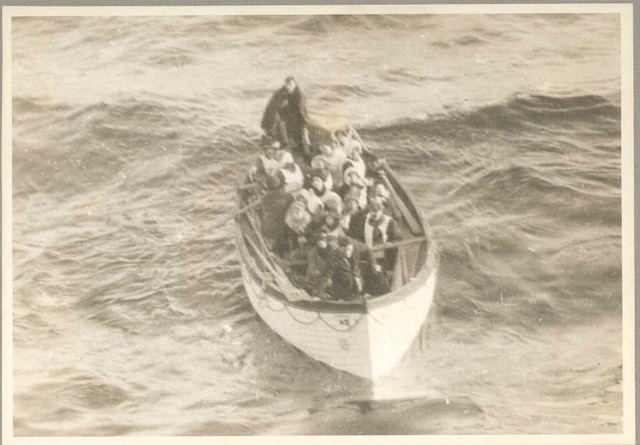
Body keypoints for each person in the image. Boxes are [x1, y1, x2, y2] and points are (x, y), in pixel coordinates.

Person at [261, 76, 311, 161]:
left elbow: (301, 113)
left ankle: (306, 157)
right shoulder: (280, 92)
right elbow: (270, 107)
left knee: (302, 140)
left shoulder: (300, 96)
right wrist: (266, 125)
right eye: (286, 85)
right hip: (284, 116)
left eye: (290, 85)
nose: (288, 87)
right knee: (280, 136)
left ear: (295, 85)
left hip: (297, 118)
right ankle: (281, 149)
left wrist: (303, 128)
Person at [351, 200, 401, 271]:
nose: (373, 214)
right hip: (367, 256)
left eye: (375, 212)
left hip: (384, 257)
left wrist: (389, 244)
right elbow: (357, 237)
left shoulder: (391, 222)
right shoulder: (363, 220)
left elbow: (398, 239)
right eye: (371, 212)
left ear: (381, 211)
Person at [260, 173, 294, 248]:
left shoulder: (264, 199)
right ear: (281, 187)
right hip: (280, 231)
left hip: (267, 229)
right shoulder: (289, 197)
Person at [304, 230, 334, 298]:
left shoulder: (333, 251)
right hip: (315, 279)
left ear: (327, 240)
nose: (321, 242)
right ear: (316, 242)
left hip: (330, 278)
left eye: (323, 240)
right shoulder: (312, 253)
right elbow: (313, 269)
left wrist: (331, 277)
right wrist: (325, 279)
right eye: (319, 240)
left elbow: (335, 266)